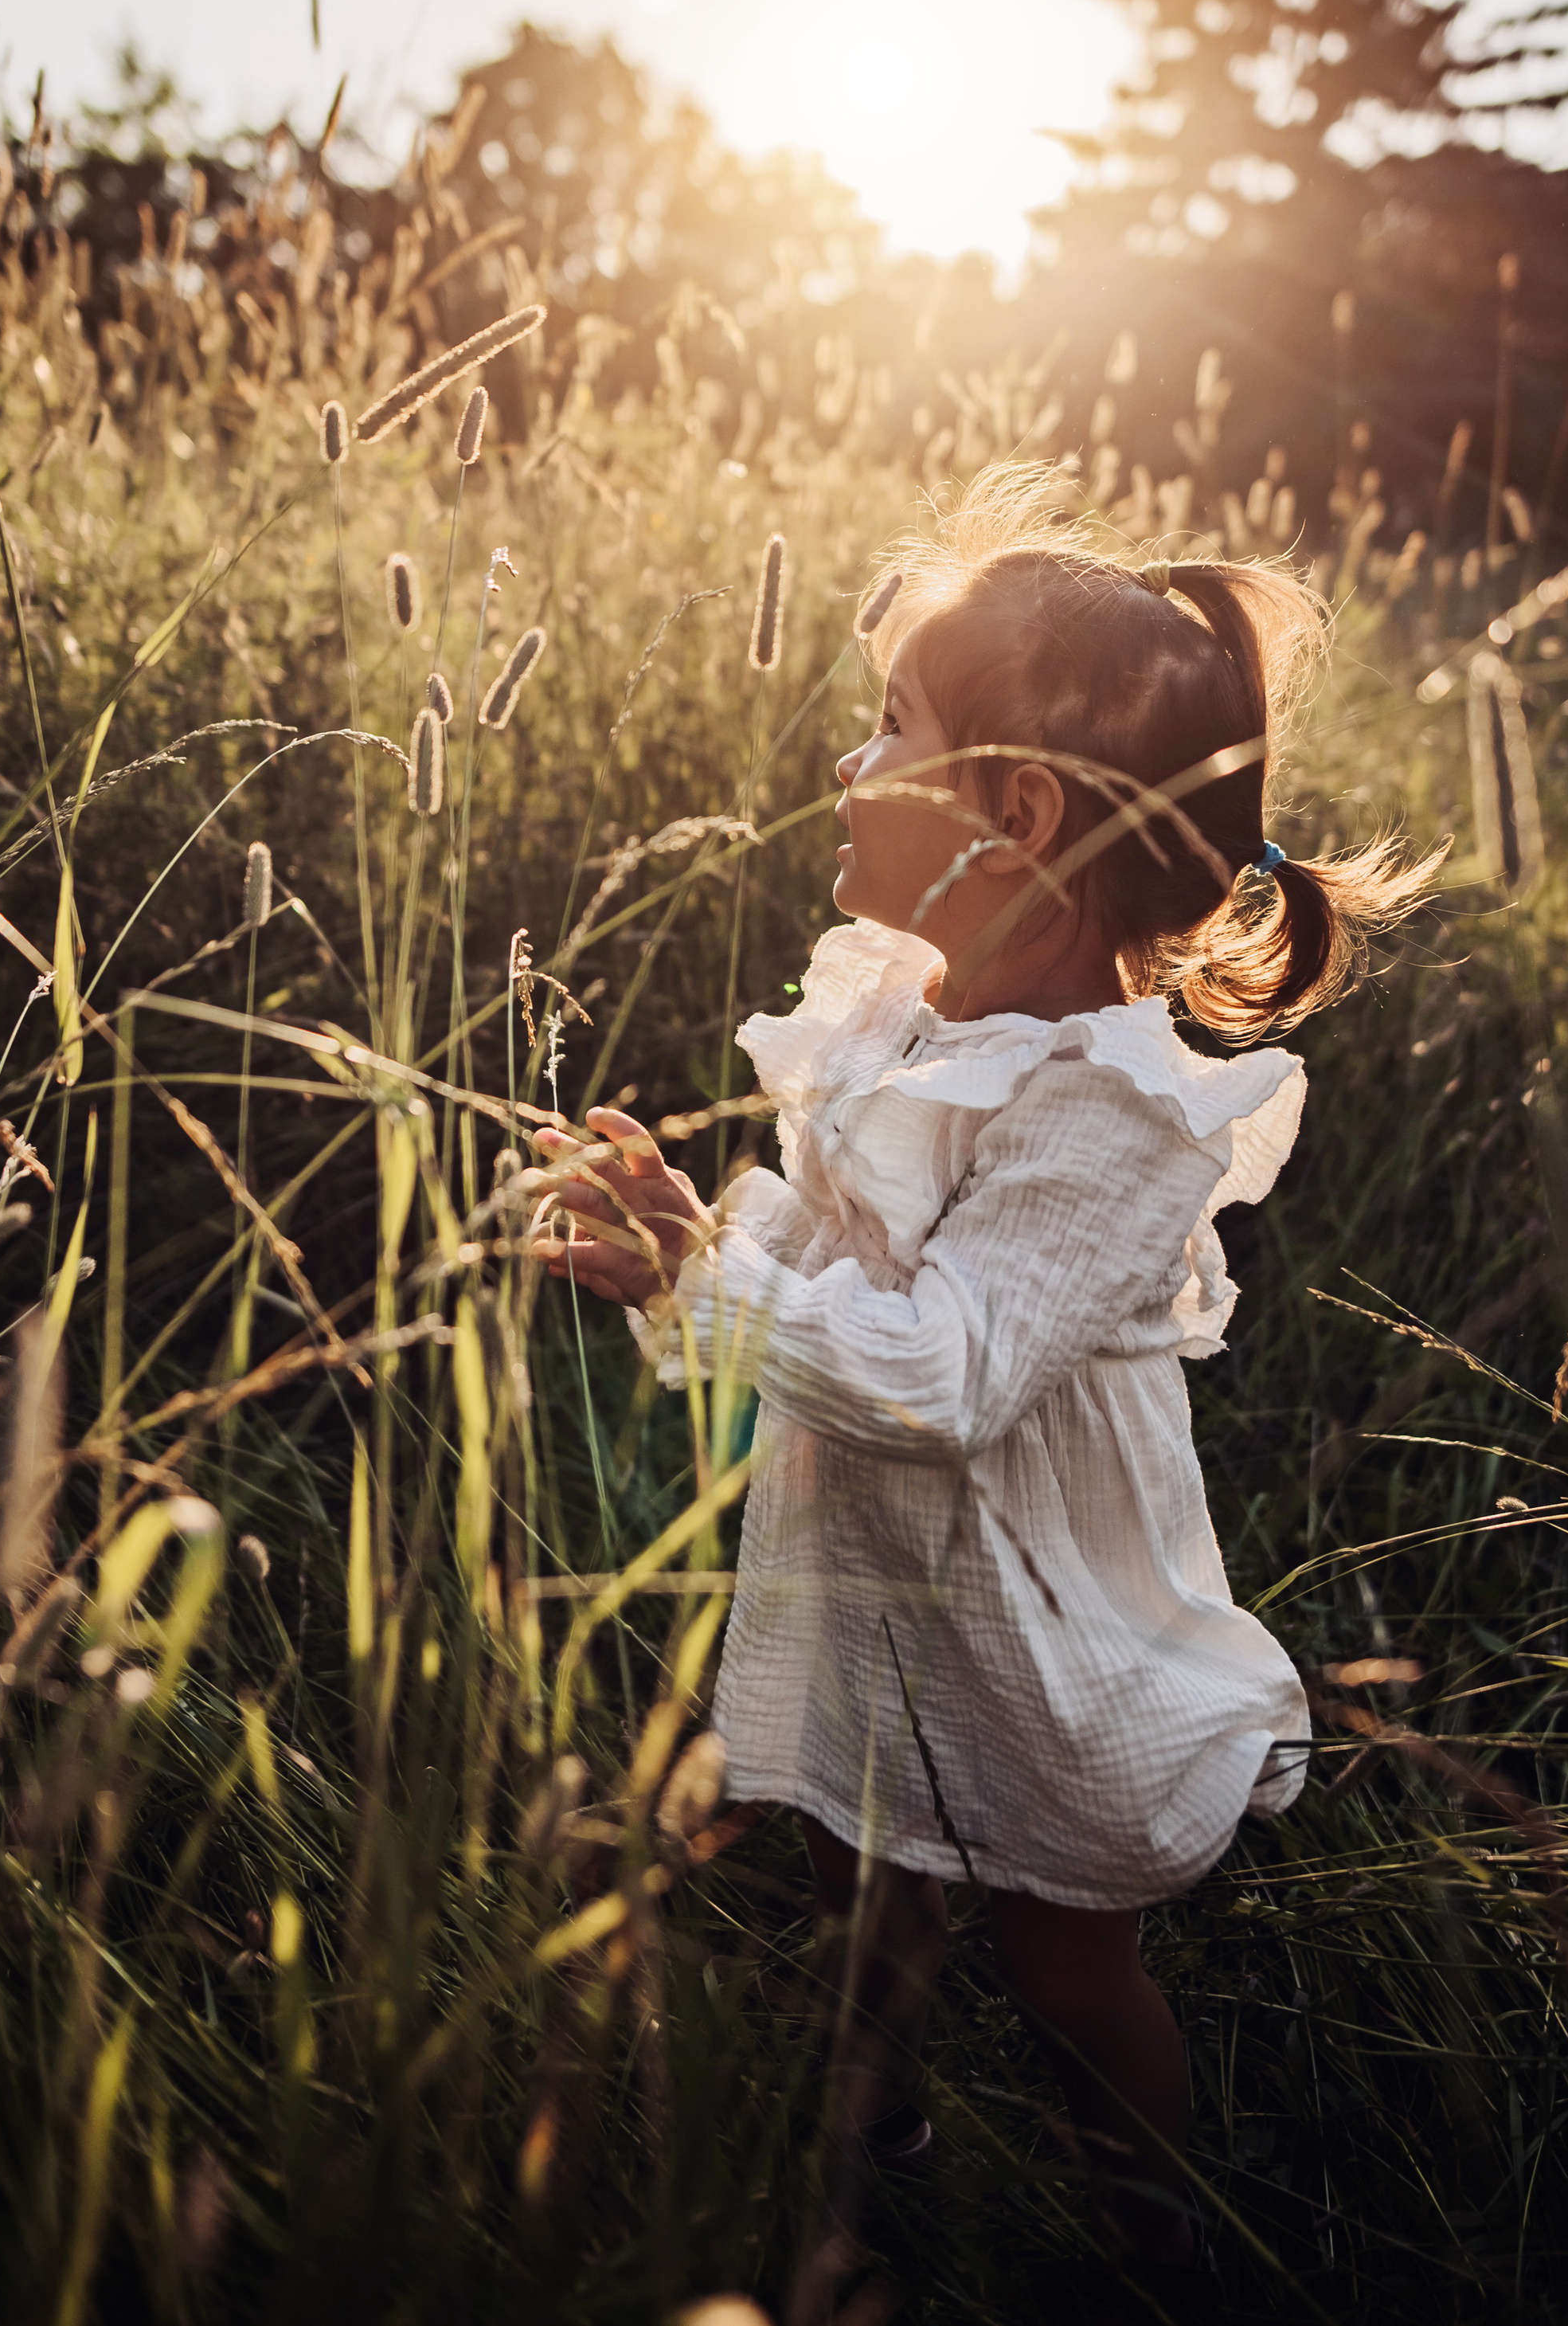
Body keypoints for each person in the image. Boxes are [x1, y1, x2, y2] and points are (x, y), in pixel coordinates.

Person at [530, 464, 1441, 2278]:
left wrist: (712, 1283)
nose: (849, 769)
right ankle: (875, 2130)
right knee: (851, 1859)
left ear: (1008, 811)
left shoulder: (1108, 1112)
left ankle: (1147, 2226)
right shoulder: (886, 1000)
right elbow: (819, 1227)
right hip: (868, 1561)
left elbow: (945, 1374)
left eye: (890, 734)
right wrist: (690, 1233)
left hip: (1031, 1607)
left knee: (1056, 1952)